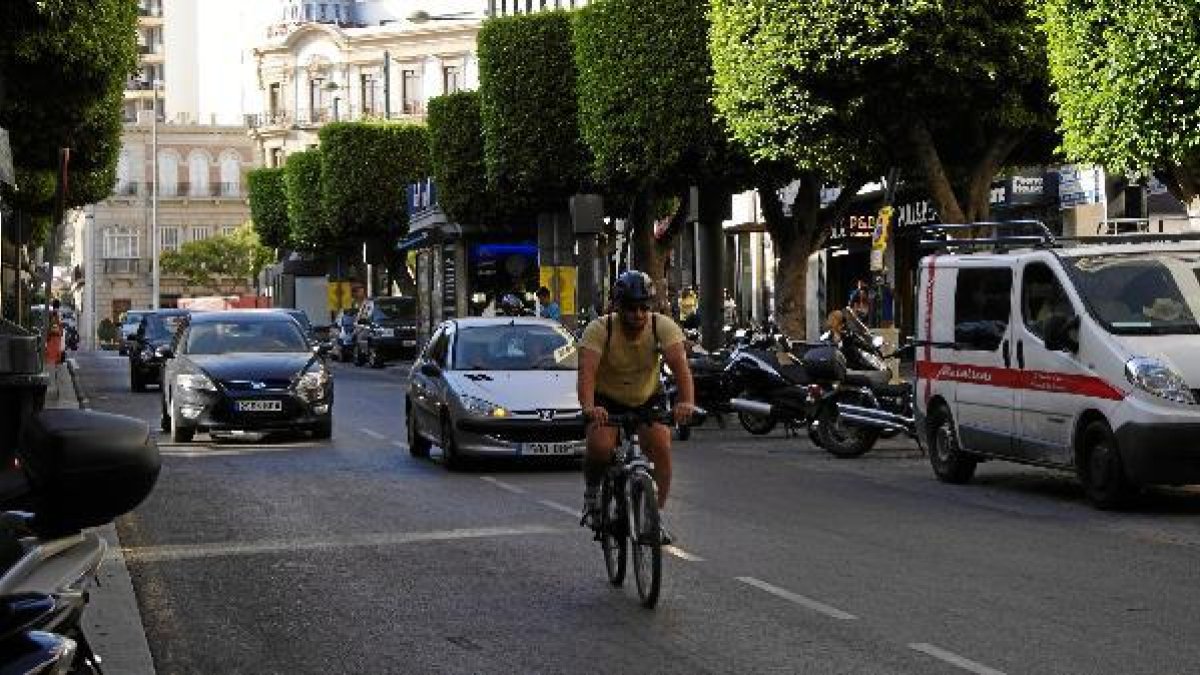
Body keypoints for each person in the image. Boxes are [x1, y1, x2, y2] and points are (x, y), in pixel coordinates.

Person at [577, 270, 696, 545]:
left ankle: (656, 518)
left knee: (661, 446)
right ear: (618, 307)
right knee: (601, 447)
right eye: (631, 308)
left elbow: (681, 369)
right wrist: (589, 407)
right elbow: (587, 374)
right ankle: (593, 493)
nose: (639, 314)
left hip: (647, 396)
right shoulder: (599, 329)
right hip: (605, 399)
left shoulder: (662, 326)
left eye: (644, 307)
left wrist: (686, 403)